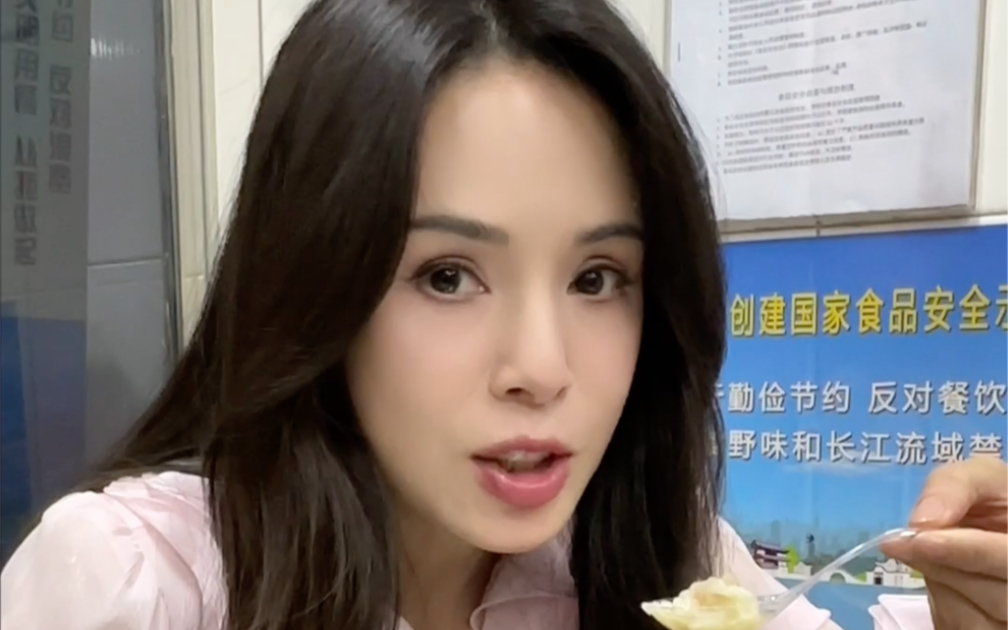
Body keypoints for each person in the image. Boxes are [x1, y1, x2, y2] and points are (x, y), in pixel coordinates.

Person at [1, 1, 1005, 629]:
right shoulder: (137, 586)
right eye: (447, 276)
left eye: (598, 278)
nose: (541, 367)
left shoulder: (675, 562)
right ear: (316, 281)